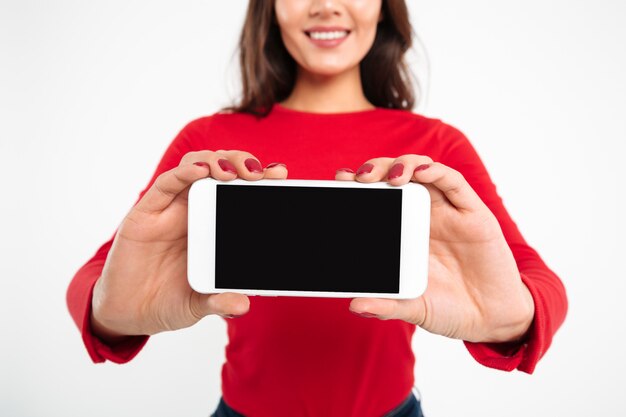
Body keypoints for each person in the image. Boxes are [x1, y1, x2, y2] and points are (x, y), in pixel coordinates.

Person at [66, 1, 568, 416]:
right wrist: (108, 312)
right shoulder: (208, 144)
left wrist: (511, 317)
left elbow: (537, 283)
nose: (326, 5)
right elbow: (100, 279)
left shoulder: (434, 148)